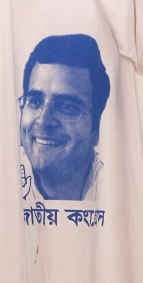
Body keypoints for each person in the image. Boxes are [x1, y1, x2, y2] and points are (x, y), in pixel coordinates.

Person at [19, 34, 110, 202]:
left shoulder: (118, 194)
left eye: (67, 107)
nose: (43, 121)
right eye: (35, 101)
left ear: (96, 129)